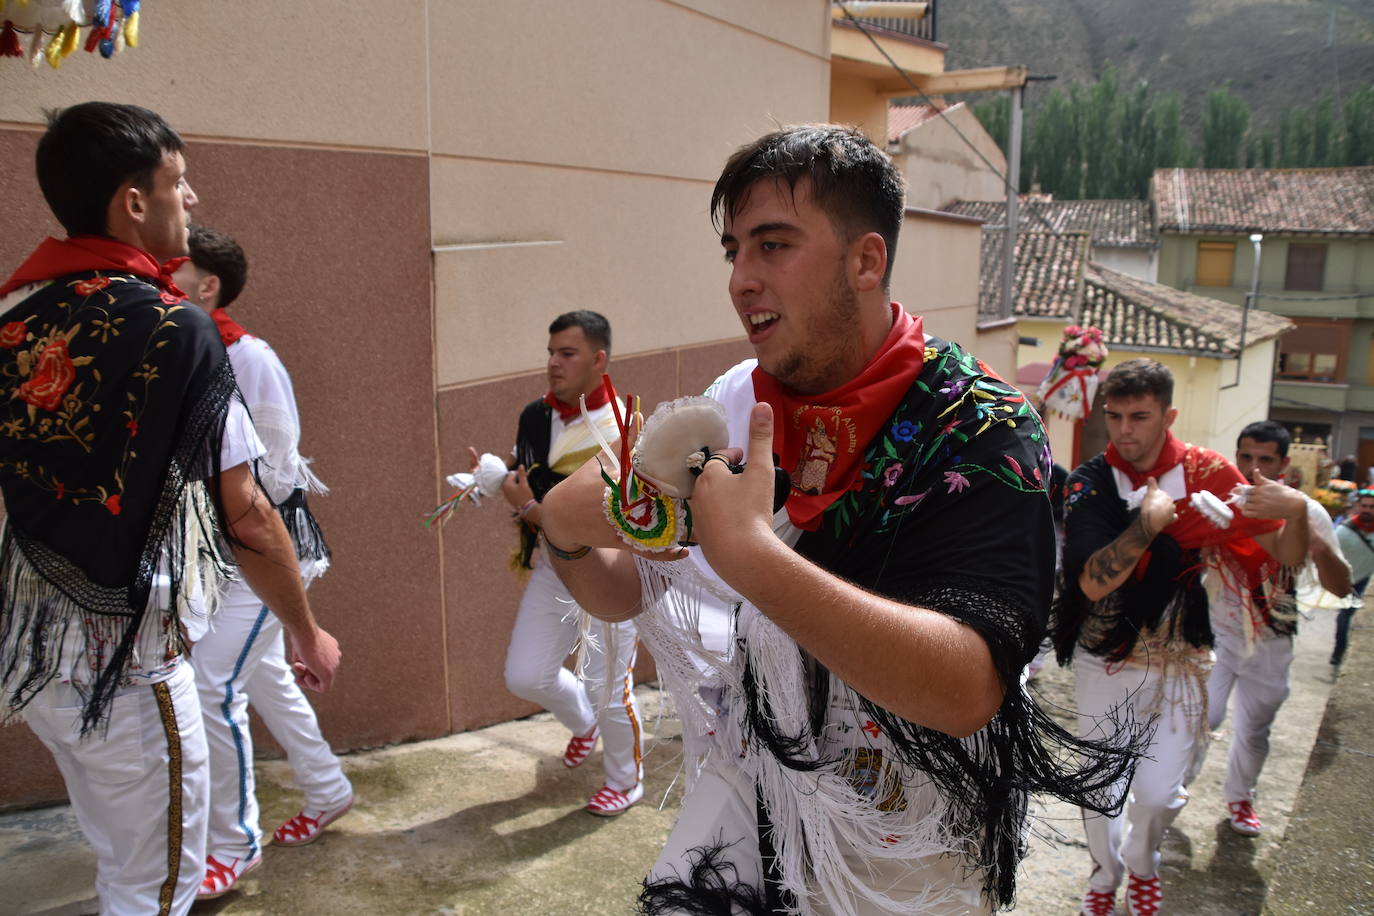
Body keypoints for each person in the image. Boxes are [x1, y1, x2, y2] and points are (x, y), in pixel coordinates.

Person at [537, 125, 1138, 915]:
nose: (741, 280)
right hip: (755, 770)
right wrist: (566, 534)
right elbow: (628, 590)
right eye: (733, 252)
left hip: (915, 824)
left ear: (866, 260)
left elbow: (966, 688)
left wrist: (756, 559)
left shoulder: (984, 431)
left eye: (773, 245)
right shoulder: (735, 401)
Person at [0, 102, 339, 916]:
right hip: (127, 653)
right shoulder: (173, 327)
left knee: (121, 856)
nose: (191, 200)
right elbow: (247, 513)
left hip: (33, 652)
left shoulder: (11, 317)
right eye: (179, 182)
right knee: (154, 888)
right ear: (133, 202)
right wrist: (305, 626)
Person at [1054, 360, 1309, 916]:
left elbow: (1283, 552)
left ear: (1168, 416)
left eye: (1139, 416)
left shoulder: (1210, 473)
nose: (1124, 429)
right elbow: (1092, 582)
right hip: (1107, 659)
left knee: (1157, 794)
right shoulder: (1090, 481)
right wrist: (1148, 525)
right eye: (1115, 415)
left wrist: (1297, 513)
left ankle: (1142, 864)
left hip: (1182, 661)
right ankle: (1104, 874)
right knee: (1100, 790)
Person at [171, 226, 354, 898]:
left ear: (208, 285)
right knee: (265, 676)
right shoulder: (181, 351)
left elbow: (273, 471)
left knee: (211, 683)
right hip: (223, 551)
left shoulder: (250, 357)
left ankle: (234, 843)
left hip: (264, 549)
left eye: (175, 271)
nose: (160, 279)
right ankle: (328, 788)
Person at [461, 311, 643, 815]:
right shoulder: (535, 416)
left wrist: (526, 506)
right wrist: (493, 480)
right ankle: (582, 724)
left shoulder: (622, 427)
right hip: (552, 565)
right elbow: (529, 476)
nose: (553, 363)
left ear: (599, 359)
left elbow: (615, 520)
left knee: (609, 686)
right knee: (526, 675)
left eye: (567, 353)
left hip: (611, 569)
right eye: (550, 353)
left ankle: (625, 781)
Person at [1198, 421, 1350, 836]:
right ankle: (1172, 789)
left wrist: (1317, 548)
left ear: (1284, 464)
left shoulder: (1306, 509)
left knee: (1254, 729)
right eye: (1245, 456)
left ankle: (1240, 797)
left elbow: (1341, 586)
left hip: (1272, 638)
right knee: (1200, 718)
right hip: (1215, 632)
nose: (1253, 468)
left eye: (1265, 459)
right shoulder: (1216, 502)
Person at [1333, 489, 1374, 666]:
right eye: (1364, 506)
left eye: (1372, 507)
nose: (1367, 510)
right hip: (1349, 582)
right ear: (1358, 506)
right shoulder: (1343, 531)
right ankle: (1339, 652)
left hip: (1367, 580)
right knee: (1344, 617)